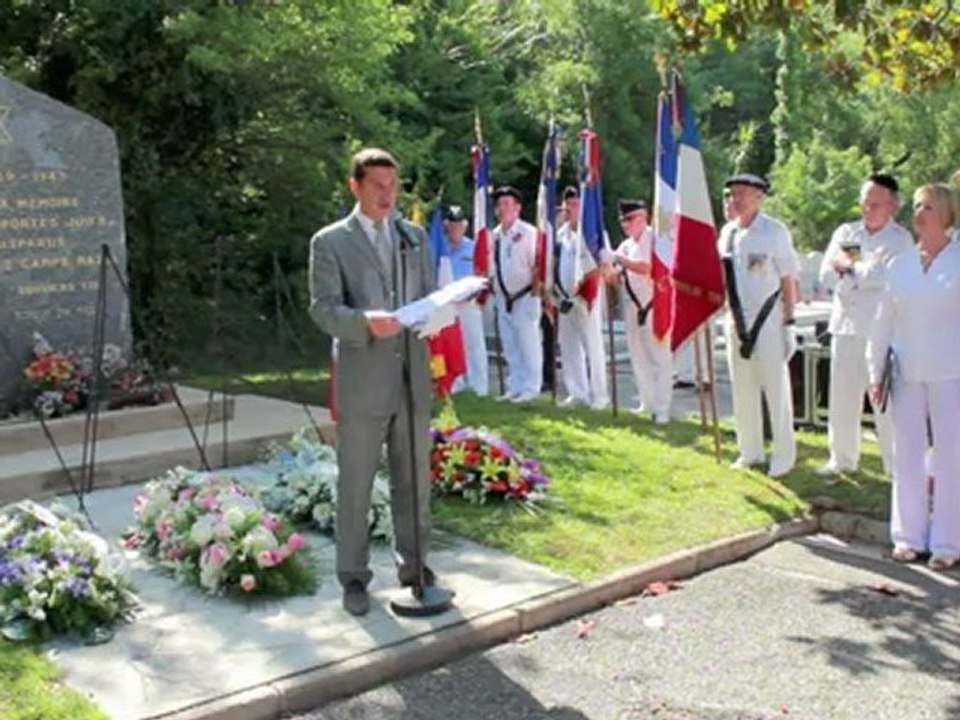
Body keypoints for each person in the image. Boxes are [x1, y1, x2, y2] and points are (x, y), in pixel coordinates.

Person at [308, 148, 441, 616]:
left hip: (410, 376)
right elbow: (323, 310)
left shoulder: (414, 236)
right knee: (357, 483)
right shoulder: (330, 242)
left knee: (414, 481)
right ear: (355, 186)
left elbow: (426, 297)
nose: (388, 195)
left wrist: (445, 311)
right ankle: (354, 578)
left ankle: (416, 568)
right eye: (378, 186)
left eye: (393, 186)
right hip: (363, 380)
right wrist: (365, 321)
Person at [867, 183, 960, 570]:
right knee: (906, 455)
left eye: (928, 207)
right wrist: (875, 370)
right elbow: (882, 322)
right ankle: (908, 537)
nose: (920, 213)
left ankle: (948, 543)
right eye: (917, 206)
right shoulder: (900, 264)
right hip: (906, 372)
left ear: (946, 214)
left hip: (951, 372)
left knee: (951, 458)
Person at [818, 174, 913, 475]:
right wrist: (858, 274)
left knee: (884, 401)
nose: (868, 209)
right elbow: (826, 275)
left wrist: (851, 271)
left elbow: (886, 279)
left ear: (892, 205)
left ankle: (894, 463)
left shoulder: (900, 240)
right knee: (842, 397)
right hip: (845, 325)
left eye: (875, 204)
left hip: (880, 329)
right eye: (864, 203)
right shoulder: (847, 232)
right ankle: (842, 458)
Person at [719, 173, 799, 478]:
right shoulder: (727, 233)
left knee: (775, 390)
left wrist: (789, 321)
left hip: (767, 320)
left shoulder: (774, 232)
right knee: (742, 388)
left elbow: (788, 279)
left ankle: (783, 454)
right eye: (731, 194)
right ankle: (749, 450)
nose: (734, 200)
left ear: (758, 197)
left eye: (740, 193)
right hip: (736, 321)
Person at [614, 199, 672, 422]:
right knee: (638, 357)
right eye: (623, 221)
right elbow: (617, 272)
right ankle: (646, 401)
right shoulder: (626, 245)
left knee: (660, 358)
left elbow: (648, 268)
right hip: (632, 307)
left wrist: (620, 261)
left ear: (644, 216)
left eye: (630, 219)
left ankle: (662, 408)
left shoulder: (654, 239)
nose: (626, 224)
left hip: (654, 306)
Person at [554, 186, 609, 409]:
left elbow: (602, 264)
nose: (571, 209)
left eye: (576, 204)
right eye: (568, 205)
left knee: (593, 346)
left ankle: (600, 396)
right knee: (568, 346)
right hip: (565, 298)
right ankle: (577, 392)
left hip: (588, 296)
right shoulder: (561, 234)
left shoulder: (594, 232)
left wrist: (583, 288)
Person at [490, 185, 542, 402]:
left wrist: (536, 295)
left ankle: (532, 386)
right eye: (500, 204)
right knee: (510, 344)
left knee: (528, 342)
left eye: (508, 204)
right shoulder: (494, 235)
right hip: (503, 297)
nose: (503, 208)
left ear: (517, 208)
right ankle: (516, 384)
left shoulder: (528, 233)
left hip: (525, 295)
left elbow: (538, 265)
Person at [443, 205, 489, 396]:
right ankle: (456, 383)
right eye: (452, 226)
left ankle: (479, 386)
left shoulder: (473, 248)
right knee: (452, 346)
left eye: (459, 225)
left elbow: (482, 273)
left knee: (474, 345)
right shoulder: (440, 248)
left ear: (465, 226)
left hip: (469, 302)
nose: (455, 229)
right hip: (447, 304)